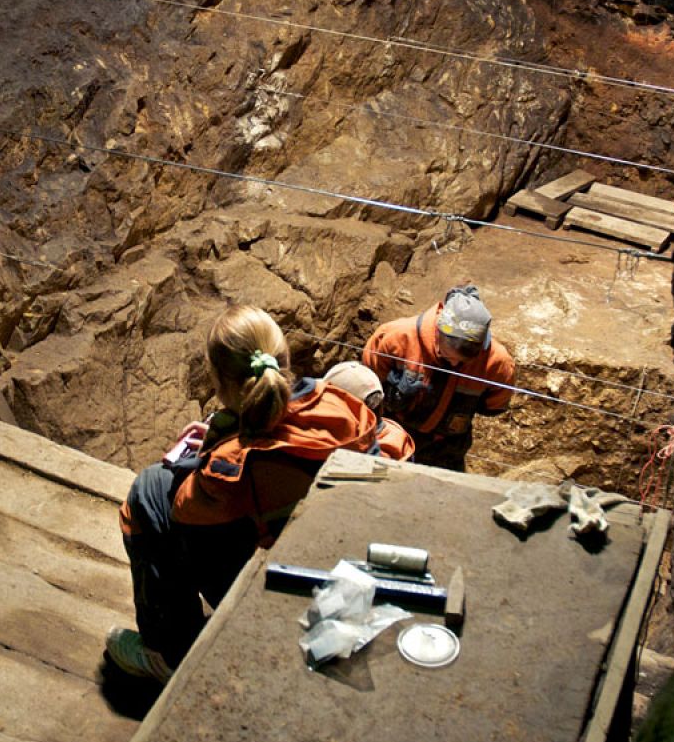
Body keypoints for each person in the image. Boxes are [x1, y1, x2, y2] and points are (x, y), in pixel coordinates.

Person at [105, 306, 414, 683]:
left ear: (217, 382)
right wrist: (222, 433)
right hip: (350, 571)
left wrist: (209, 453)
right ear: (284, 360)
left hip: (289, 591)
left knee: (150, 490)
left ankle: (169, 651)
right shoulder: (343, 407)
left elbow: (189, 513)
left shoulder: (230, 467)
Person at [362, 284, 516, 473]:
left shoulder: (497, 362)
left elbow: (494, 406)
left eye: (462, 361)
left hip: (446, 449)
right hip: (393, 437)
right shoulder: (396, 337)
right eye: (447, 356)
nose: (453, 364)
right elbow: (368, 384)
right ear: (437, 332)